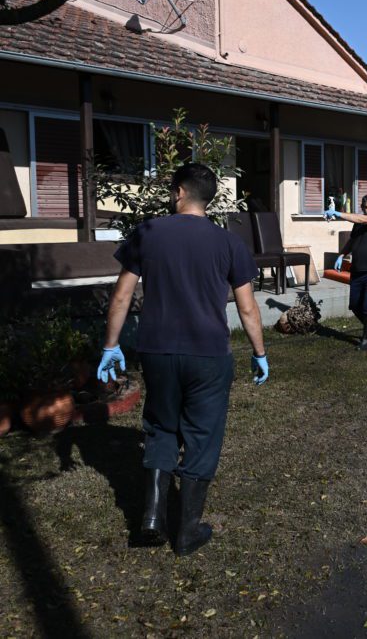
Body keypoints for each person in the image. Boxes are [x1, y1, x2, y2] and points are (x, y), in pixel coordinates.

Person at [97, 163, 269, 557]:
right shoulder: (229, 244)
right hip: (208, 355)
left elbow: (122, 295)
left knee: (160, 426)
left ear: (178, 192)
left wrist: (111, 345)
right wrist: (259, 353)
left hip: (157, 350)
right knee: (202, 435)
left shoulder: (149, 232)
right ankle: (188, 531)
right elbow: (247, 309)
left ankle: (153, 517)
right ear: (208, 198)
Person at [332, 194, 367, 351]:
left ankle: (366, 339)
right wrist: (341, 255)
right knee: (355, 305)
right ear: (363, 208)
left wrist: (338, 213)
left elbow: (364, 220)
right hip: (357, 270)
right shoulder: (358, 223)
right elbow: (352, 241)